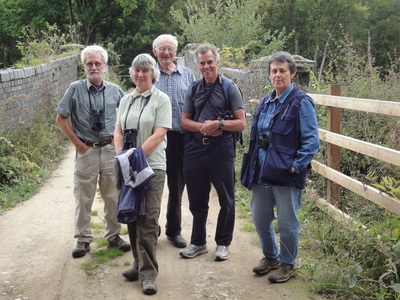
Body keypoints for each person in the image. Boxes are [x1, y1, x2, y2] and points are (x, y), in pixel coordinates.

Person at [240, 51, 319, 283]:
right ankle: (270, 257)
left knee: (287, 221)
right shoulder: (265, 102)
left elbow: (311, 140)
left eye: (282, 70)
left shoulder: (301, 101)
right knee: (259, 218)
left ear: (292, 73)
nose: (277, 75)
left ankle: (287, 263)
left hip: (285, 172)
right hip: (261, 171)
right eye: (273, 71)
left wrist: (296, 166)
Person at [55, 45, 131, 259]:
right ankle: (83, 239)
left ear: (105, 66)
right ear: (84, 66)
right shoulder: (74, 89)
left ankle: (114, 236)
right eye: (90, 63)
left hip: (109, 150)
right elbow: (61, 117)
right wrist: (77, 143)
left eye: (98, 63)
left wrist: (120, 144)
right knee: (83, 196)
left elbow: (127, 117)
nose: (94, 67)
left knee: (112, 196)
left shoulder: (116, 90)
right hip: (86, 150)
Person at [180, 44, 246, 261]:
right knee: (197, 199)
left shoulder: (230, 88)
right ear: (197, 65)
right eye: (202, 63)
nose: (206, 66)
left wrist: (218, 124)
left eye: (210, 61)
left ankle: (223, 243)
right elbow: (184, 121)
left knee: (226, 199)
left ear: (217, 62)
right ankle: (198, 242)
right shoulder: (193, 88)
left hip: (221, 149)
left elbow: (241, 123)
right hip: (195, 148)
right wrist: (202, 127)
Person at [114, 53, 172, 295]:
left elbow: (159, 135)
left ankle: (149, 274)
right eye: (137, 70)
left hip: (151, 168)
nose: (140, 74)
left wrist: (134, 156)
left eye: (145, 70)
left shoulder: (162, 100)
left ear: (153, 74)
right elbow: (117, 131)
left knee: (148, 219)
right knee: (131, 214)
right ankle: (137, 265)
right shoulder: (126, 99)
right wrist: (122, 157)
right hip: (128, 167)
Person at [152, 34, 195, 248]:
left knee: (177, 187)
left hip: (180, 138)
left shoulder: (188, 75)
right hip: (155, 140)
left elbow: (197, 104)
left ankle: (173, 230)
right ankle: (151, 228)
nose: (166, 53)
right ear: (155, 52)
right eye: (162, 49)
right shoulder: (150, 74)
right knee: (154, 186)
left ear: (175, 52)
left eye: (170, 49)